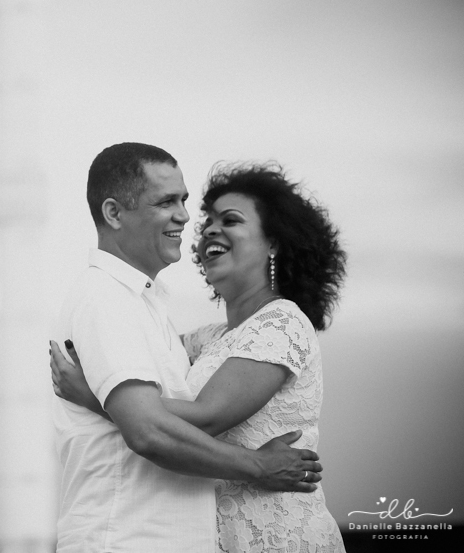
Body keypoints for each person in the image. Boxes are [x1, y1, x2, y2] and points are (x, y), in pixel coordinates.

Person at [52, 159, 347, 552]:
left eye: (230, 220)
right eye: (208, 220)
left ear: (274, 242)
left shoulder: (282, 323)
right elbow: (131, 372)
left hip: (273, 532)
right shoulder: (205, 338)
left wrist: (98, 398)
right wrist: (118, 398)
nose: (207, 227)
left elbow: (206, 417)